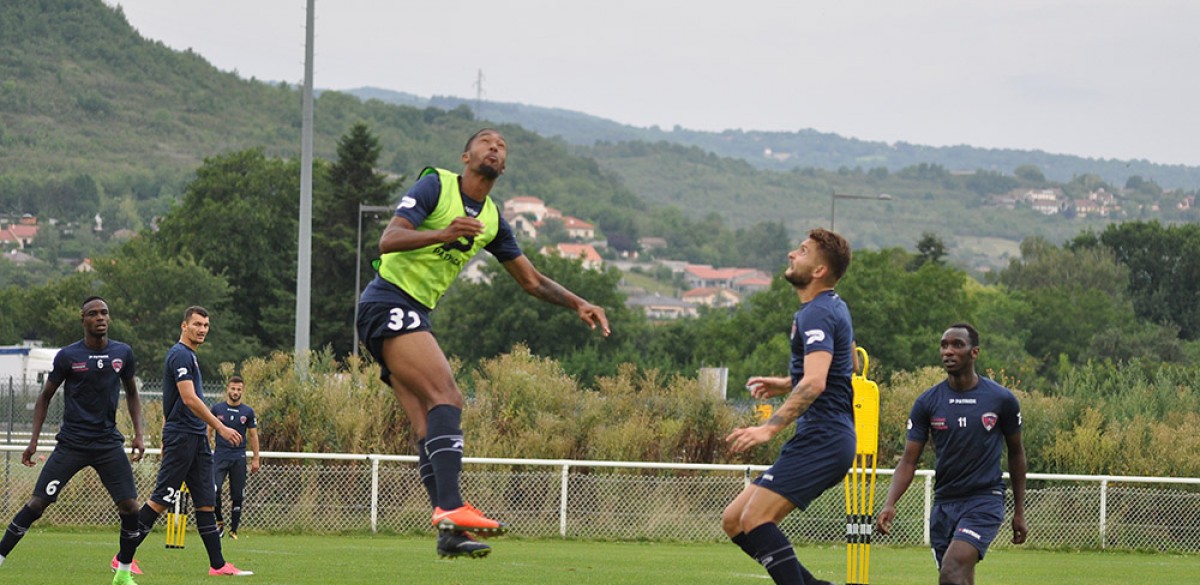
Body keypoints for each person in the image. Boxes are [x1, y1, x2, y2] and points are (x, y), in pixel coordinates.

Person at [356, 128, 610, 559]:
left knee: (426, 423)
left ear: (504, 165)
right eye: (487, 141)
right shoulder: (436, 186)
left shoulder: (491, 219)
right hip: (388, 300)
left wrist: (578, 302)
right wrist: (444, 233)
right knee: (448, 397)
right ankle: (453, 508)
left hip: (407, 312)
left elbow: (530, 280)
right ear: (466, 155)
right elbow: (389, 240)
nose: (495, 147)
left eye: (502, 146)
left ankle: (449, 533)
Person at [722, 228, 856, 585]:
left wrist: (768, 427)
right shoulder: (832, 306)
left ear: (819, 271)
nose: (791, 255)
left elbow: (816, 381)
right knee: (735, 520)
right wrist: (787, 383)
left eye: (802, 251)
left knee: (756, 520)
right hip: (824, 437)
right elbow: (849, 363)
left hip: (824, 440)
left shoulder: (817, 313)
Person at [0, 297, 147, 585]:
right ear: (83, 319)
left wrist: (139, 433)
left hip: (107, 444)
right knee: (37, 504)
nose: (100, 317)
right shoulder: (68, 356)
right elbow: (45, 397)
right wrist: (33, 441)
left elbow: (132, 393)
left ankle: (123, 572)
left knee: (130, 507)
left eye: (104, 312)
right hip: (72, 444)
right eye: (93, 314)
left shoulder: (123, 353)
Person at [876, 323, 1028, 585]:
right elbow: (908, 460)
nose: (948, 351)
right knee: (957, 578)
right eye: (944, 345)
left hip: (984, 500)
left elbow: (1016, 454)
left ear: (974, 352)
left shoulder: (1001, 400)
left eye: (957, 345)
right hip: (944, 504)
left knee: (952, 568)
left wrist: (1019, 511)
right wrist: (890, 502)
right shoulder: (928, 402)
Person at [126, 306, 253, 576]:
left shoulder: (191, 357)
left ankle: (218, 565)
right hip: (183, 436)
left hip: (195, 438)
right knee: (162, 498)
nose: (202, 329)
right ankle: (122, 557)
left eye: (206, 325)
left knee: (206, 501)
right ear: (185, 326)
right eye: (197, 324)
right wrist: (219, 426)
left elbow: (173, 402)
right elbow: (188, 399)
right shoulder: (180, 354)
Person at [209, 375, 260, 540]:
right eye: (233, 388)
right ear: (227, 389)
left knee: (237, 494)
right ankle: (219, 523)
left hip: (238, 456)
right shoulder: (217, 409)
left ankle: (234, 530)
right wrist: (205, 451)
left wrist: (256, 459)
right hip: (220, 456)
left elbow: (253, 436)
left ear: (242, 391)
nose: (235, 392)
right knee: (214, 490)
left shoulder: (248, 412)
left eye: (239, 389)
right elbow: (207, 431)